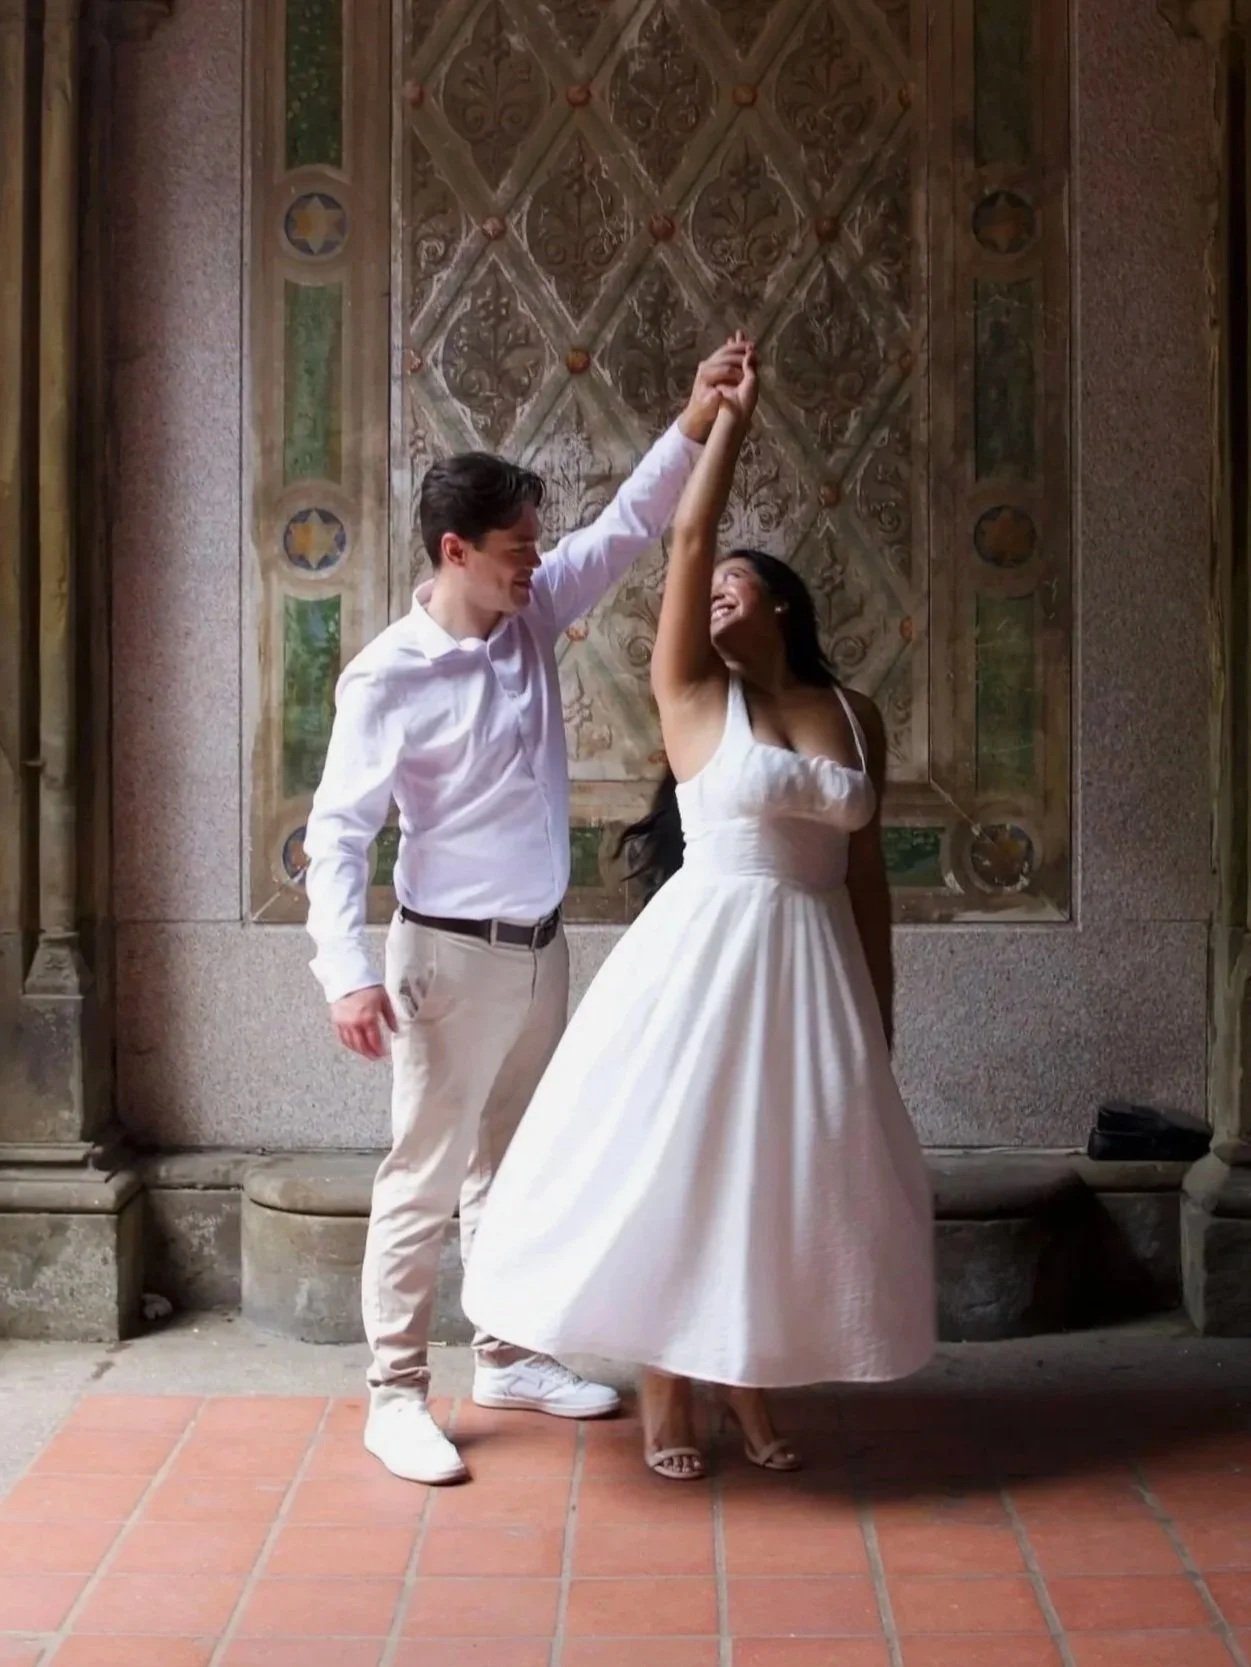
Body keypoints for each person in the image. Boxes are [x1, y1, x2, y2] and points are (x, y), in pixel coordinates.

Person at [462, 339, 935, 1479]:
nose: (715, 589)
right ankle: (669, 1390)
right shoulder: (692, 695)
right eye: (708, 585)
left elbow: (866, 877)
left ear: (778, 600)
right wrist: (727, 422)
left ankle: (750, 1380)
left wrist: (879, 1004)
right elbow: (681, 536)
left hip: (812, 965)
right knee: (682, 1164)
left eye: (736, 582)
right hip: (705, 959)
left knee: (782, 1178)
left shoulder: (855, 711)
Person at [303, 339, 753, 1485]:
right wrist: (345, 973)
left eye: (535, 546)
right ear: (454, 551)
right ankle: (395, 1392)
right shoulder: (387, 676)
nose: (537, 562)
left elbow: (632, 523)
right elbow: (340, 835)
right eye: (514, 549)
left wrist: (697, 414)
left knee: (517, 1164)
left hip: (544, 950)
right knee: (423, 1174)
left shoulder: (536, 611)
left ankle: (506, 1353)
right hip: (442, 963)